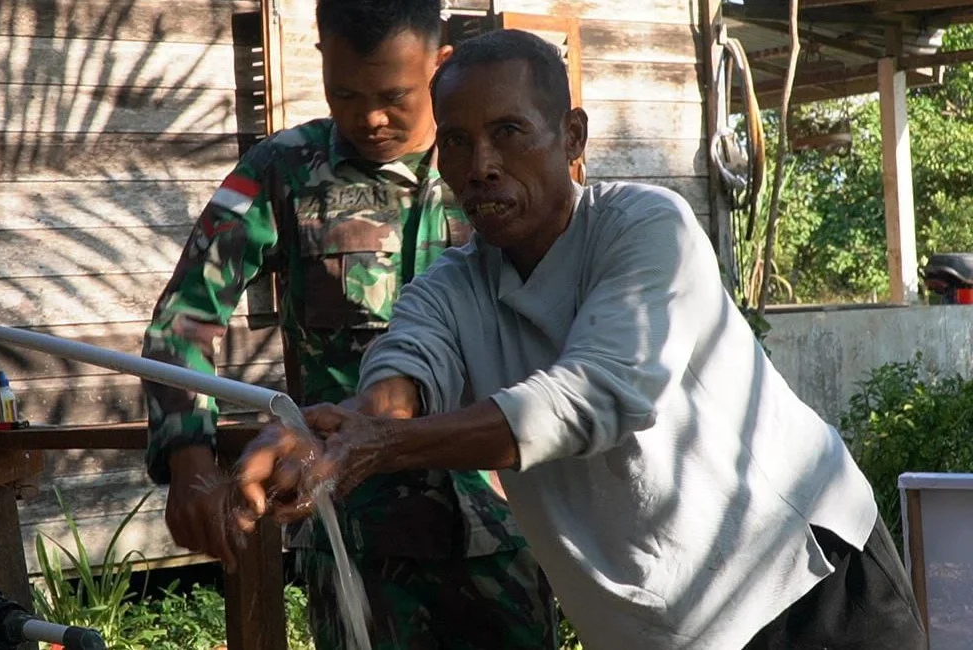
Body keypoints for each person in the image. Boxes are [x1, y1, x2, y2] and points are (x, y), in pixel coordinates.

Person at [234, 28, 928, 650]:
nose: (480, 165)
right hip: (656, 629)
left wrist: (379, 446)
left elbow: (595, 393)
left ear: (572, 137)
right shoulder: (452, 287)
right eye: (456, 140)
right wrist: (326, 435)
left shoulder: (645, 226)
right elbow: (403, 376)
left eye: (509, 132)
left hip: (806, 586)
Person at [140, 2, 556, 647]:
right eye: (344, 94)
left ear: (438, 65)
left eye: (394, 95)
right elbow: (186, 317)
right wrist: (189, 458)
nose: (369, 118)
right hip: (353, 534)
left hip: (506, 528)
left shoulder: (501, 171)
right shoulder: (283, 172)